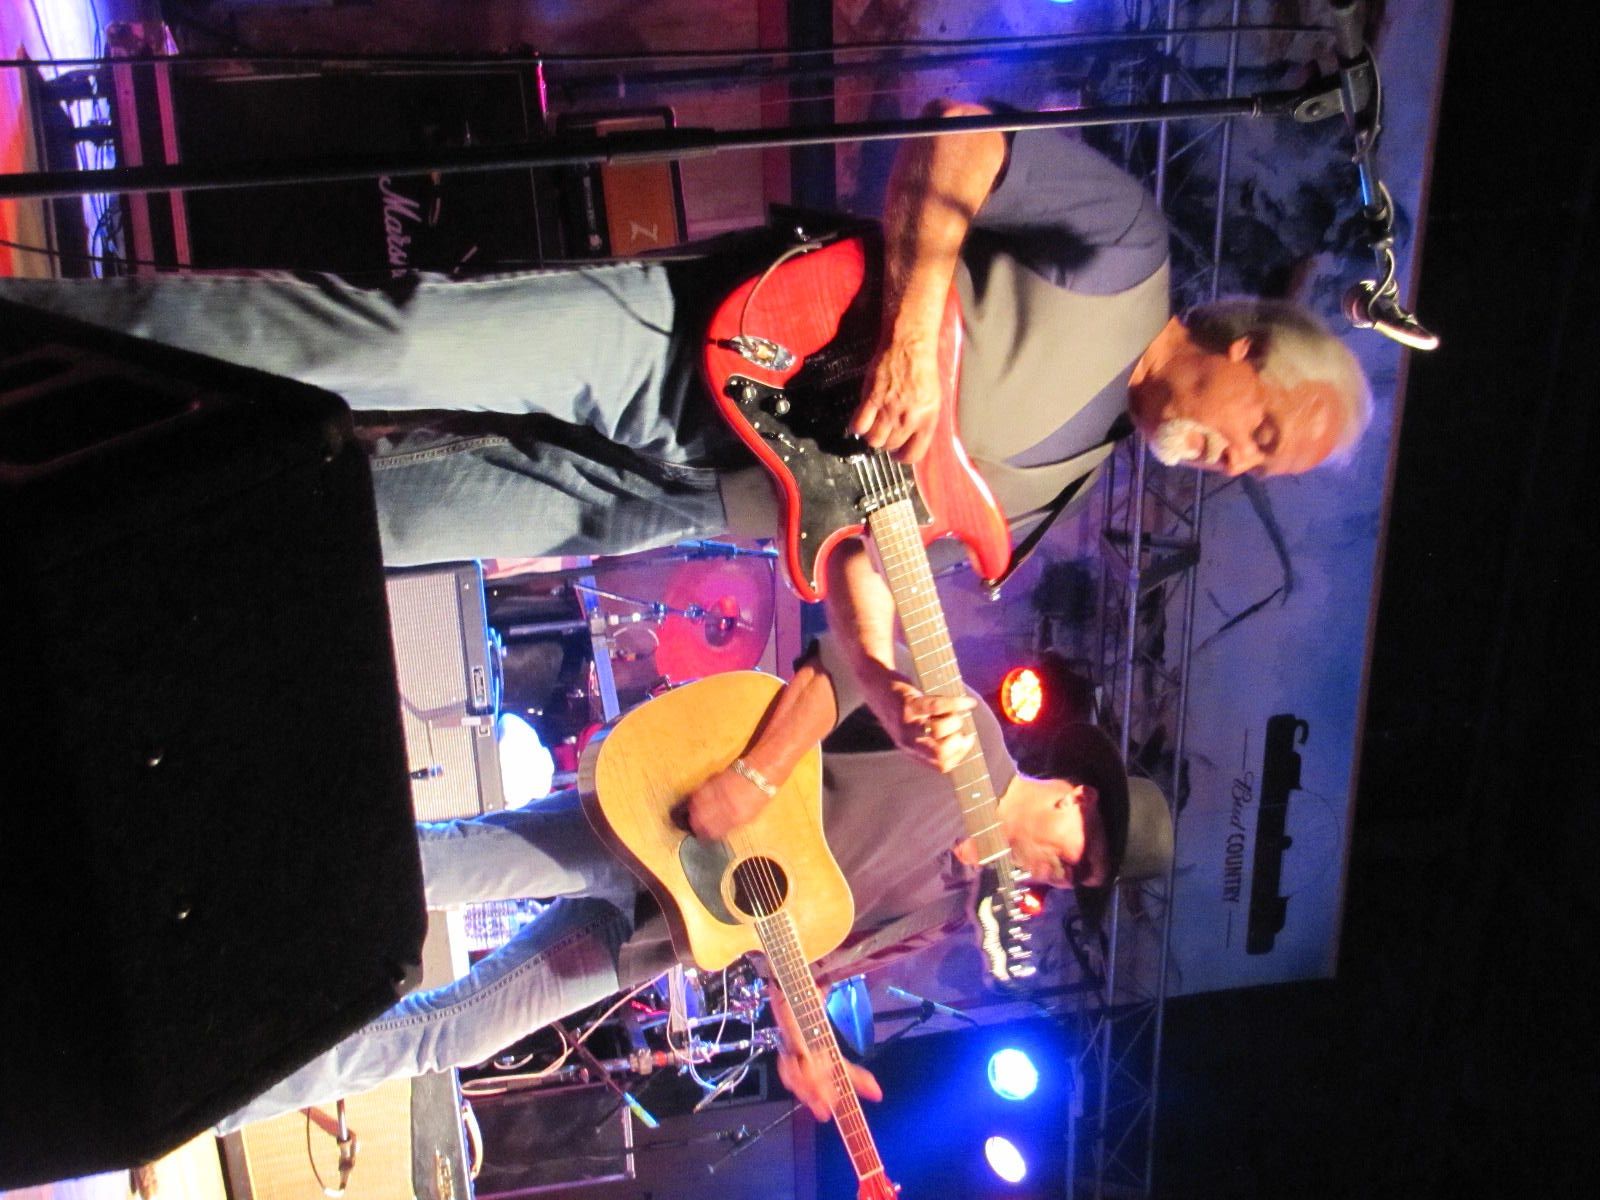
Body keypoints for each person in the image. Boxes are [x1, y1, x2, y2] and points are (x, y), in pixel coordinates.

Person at [211, 629, 1131, 1132]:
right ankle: (216, 902)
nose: (1060, 876)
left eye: (1074, 882)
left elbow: (794, 946)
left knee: (448, 1034)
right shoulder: (967, 730)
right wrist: (756, 778)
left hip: (663, 935)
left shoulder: (949, 909)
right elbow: (845, 664)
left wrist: (804, 1041)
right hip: (656, 824)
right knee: (433, 869)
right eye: (1076, 854)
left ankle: (215, 1090)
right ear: (1075, 795)